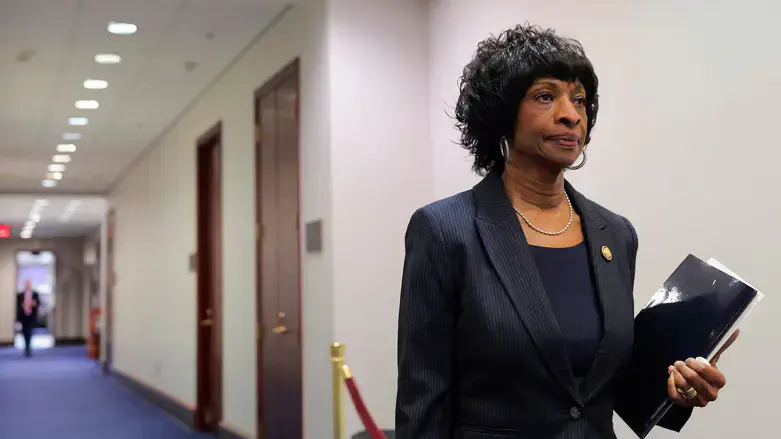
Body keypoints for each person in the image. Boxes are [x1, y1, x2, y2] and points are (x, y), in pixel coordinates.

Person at [395, 24, 737, 439]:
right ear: (503, 113)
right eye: (545, 96)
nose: (570, 114)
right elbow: (423, 400)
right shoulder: (444, 230)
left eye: (579, 100)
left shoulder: (616, 234)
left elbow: (605, 387)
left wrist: (679, 387)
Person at [16, 279, 40, 357]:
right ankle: (26, 346)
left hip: (31, 316)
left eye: (28, 284)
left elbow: (38, 304)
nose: (27, 285)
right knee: (24, 332)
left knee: (30, 331)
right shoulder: (21, 295)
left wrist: (34, 304)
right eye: (26, 284)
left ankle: (28, 347)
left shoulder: (35, 294)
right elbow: (17, 306)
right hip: (23, 316)